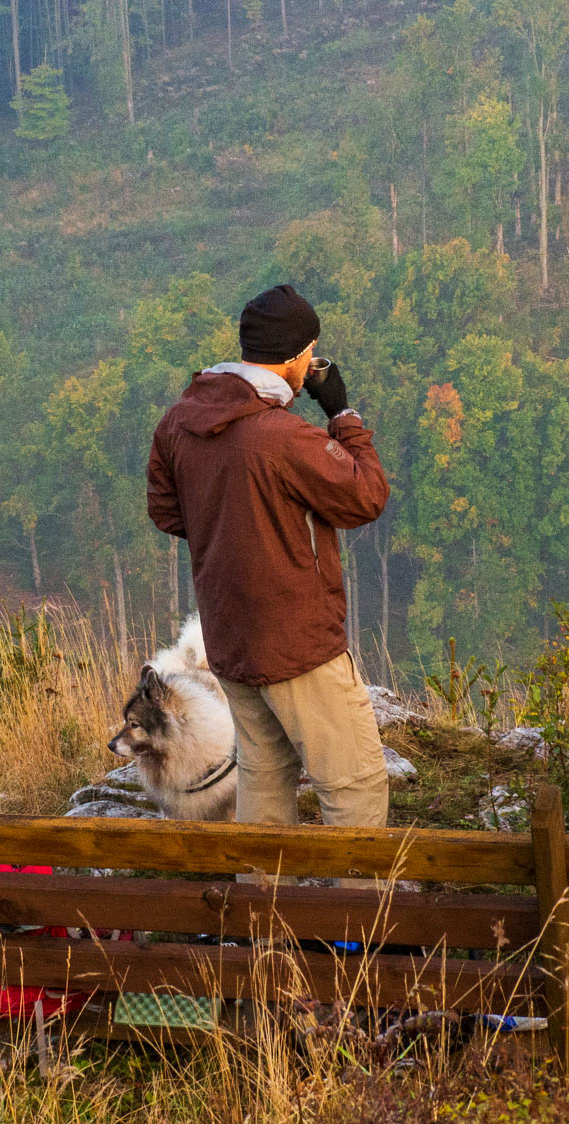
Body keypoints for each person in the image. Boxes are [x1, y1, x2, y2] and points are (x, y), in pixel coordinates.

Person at [147, 283, 391, 828]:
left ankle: (260, 908)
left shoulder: (179, 423)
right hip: (297, 642)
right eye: (311, 352)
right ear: (294, 356)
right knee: (354, 785)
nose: (311, 363)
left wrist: (236, 528)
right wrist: (344, 413)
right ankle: (359, 915)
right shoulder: (282, 437)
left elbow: (167, 511)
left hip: (232, 640)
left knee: (263, 776)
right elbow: (366, 494)